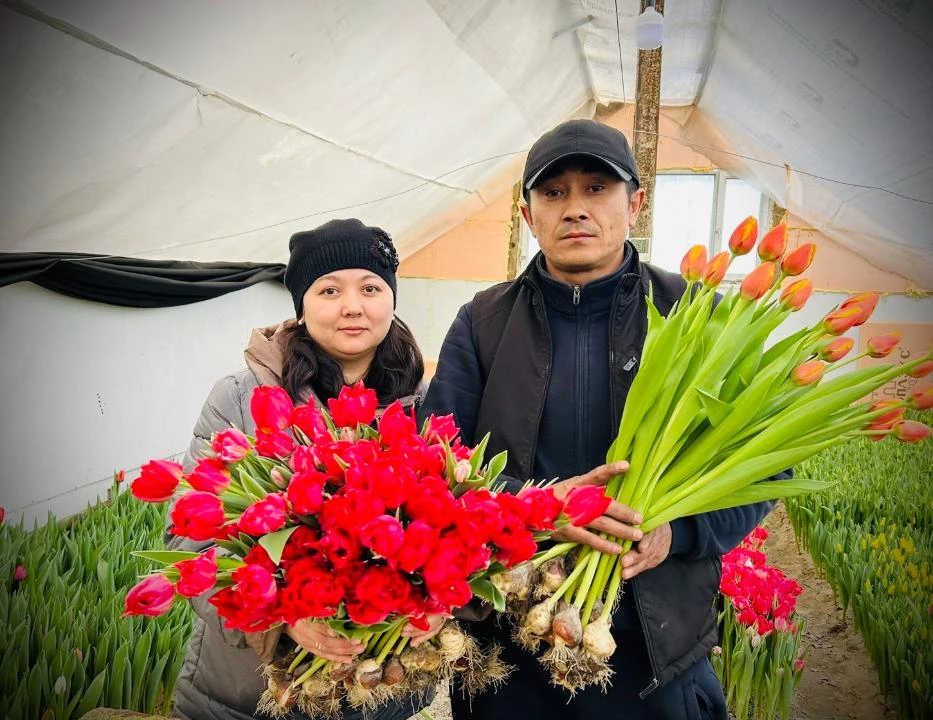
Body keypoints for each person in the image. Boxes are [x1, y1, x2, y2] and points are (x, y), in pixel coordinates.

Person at [418, 119, 776, 720]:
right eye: (553, 192)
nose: (575, 208)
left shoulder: (697, 316)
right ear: (529, 216)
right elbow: (438, 463)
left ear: (635, 204)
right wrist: (536, 506)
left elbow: (762, 466)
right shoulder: (483, 323)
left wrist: (679, 532)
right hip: (512, 638)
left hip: (652, 647)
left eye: (596, 188)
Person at [168, 218, 444, 720]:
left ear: (391, 299)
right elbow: (189, 537)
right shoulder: (241, 398)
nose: (352, 306)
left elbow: (455, 531)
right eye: (329, 290)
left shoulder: (428, 405)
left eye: (371, 288)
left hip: (379, 694)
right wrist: (279, 616)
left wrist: (438, 601)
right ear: (302, 304)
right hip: (246, 697)